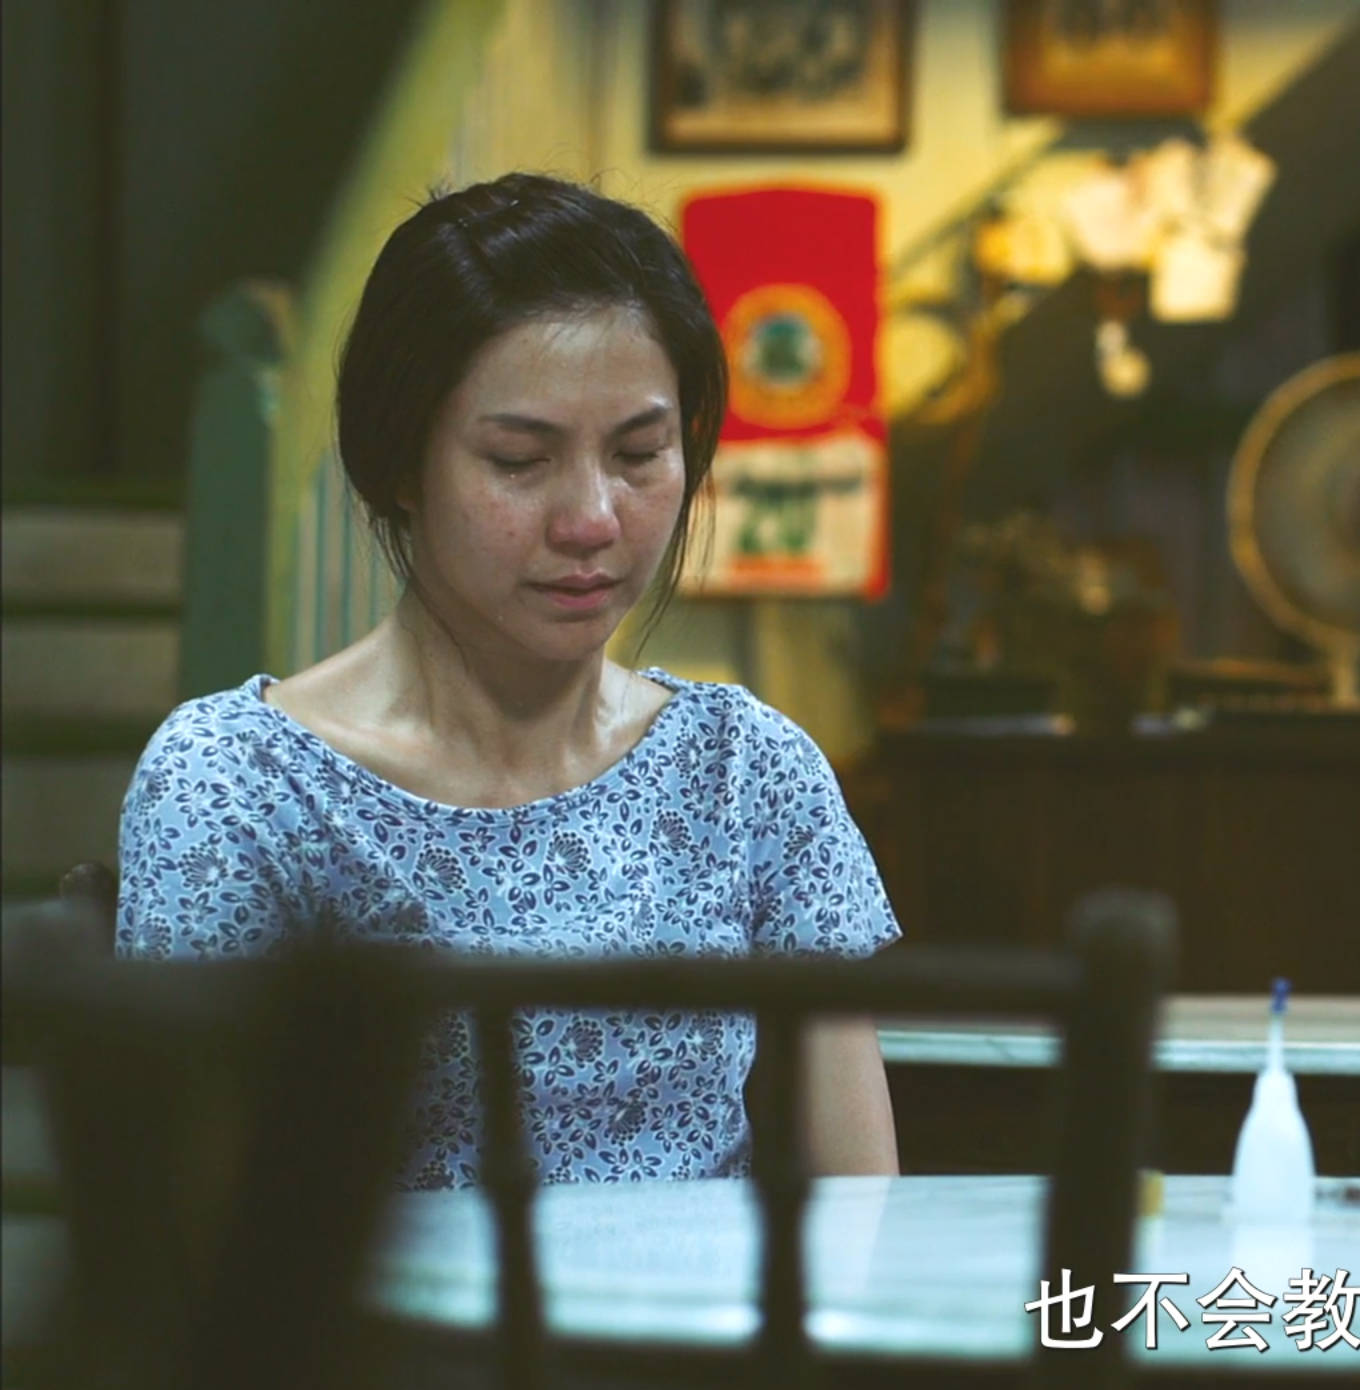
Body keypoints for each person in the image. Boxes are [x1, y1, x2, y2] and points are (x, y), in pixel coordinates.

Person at [117, 173, 901, 1187]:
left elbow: (859, 1196)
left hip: (710, 1299)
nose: (592, 519)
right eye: (520, 460)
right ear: (399, 463)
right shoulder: (243, 782)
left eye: (640, 454)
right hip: (389, 1300)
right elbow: (197, 1220)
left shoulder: (744, 769)